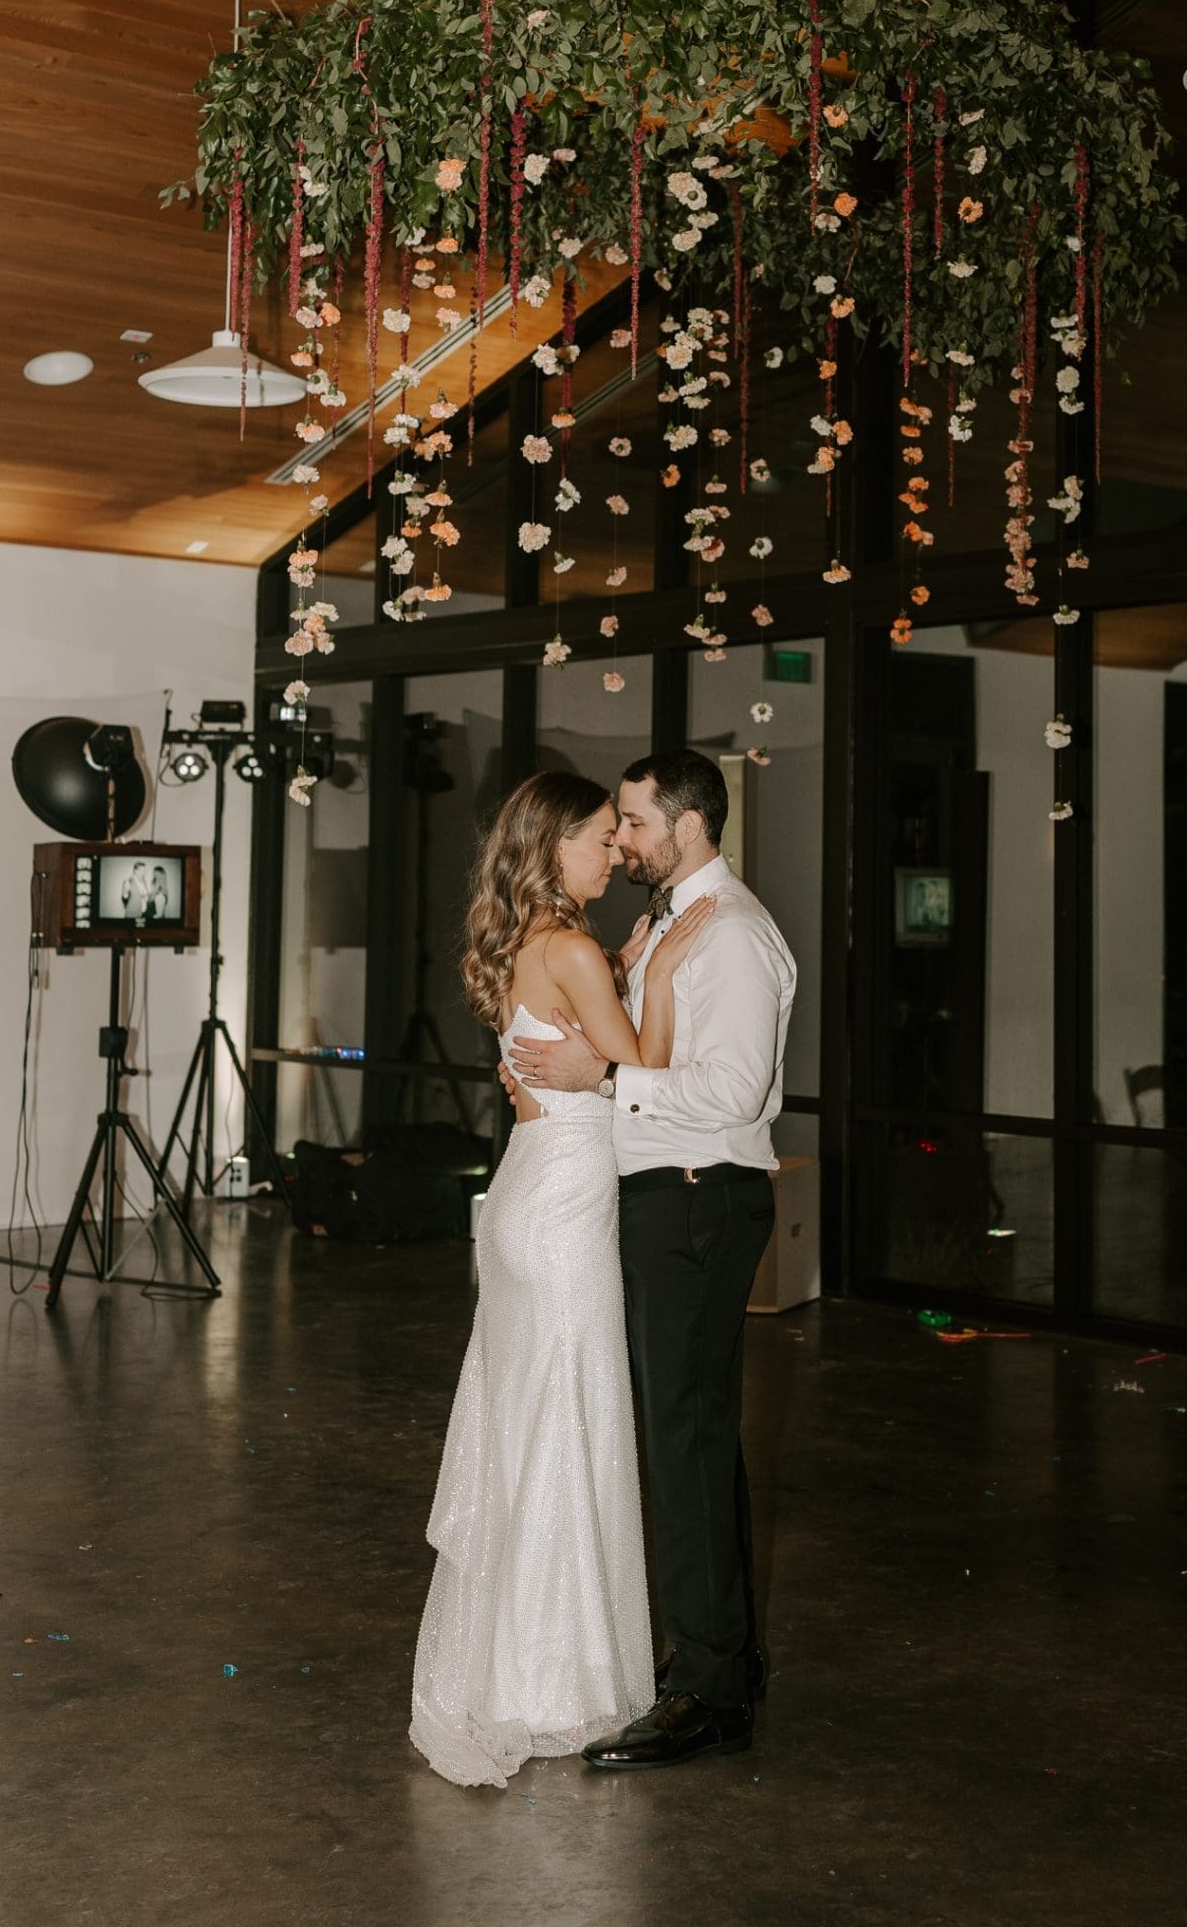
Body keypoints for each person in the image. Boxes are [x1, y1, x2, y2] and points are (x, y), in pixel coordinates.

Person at [409, 770, 714, 1789]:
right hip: (568, 1212)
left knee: (533, 1429)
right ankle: (556, 1680)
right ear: (552, 849)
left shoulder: (528, 944)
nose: (613, 854)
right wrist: (658, 983)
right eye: (595, 839)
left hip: (525, 1198)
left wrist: (619, 970)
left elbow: (559, 1042)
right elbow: (641, 1077)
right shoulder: (576, 947)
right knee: (567, 1430)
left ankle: (524, 1662)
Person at [505, 747, 797, 1771]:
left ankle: (707, 1693)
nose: (622, 837)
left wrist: (606, 1076)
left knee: (682, 1440)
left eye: (633, 820)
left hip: (695, 1203)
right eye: (616, 823)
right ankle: (726, 1663)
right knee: (693, 1436)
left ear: (688, 823)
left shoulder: (737, 936)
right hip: (662, 1200)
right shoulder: (674, 926)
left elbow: (731, 1093)